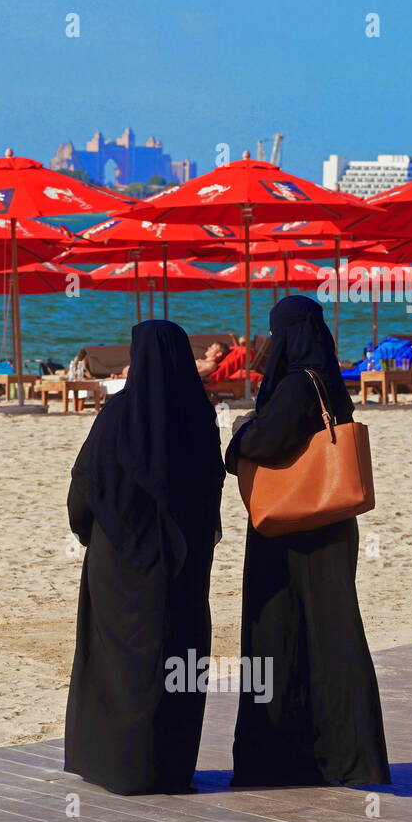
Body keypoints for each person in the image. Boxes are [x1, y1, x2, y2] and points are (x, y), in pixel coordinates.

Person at [224, 295, 390, 787]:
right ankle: (347, 754)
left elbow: (262, 444)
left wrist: (239, 435)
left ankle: (286, 757)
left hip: (290, 530)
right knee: (332, 631)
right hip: (331, 523)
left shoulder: (297, 385)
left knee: (282, 634)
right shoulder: (328, 381)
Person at [64, 321, 226, 795]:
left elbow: (86, 485)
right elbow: (211, 487)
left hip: (120, 560)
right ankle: (170, 766)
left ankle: (118, 765)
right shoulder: (197, 415)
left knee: (121, 658)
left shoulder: (117, 416)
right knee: (179, 654)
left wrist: (88, 530)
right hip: (184, 562)